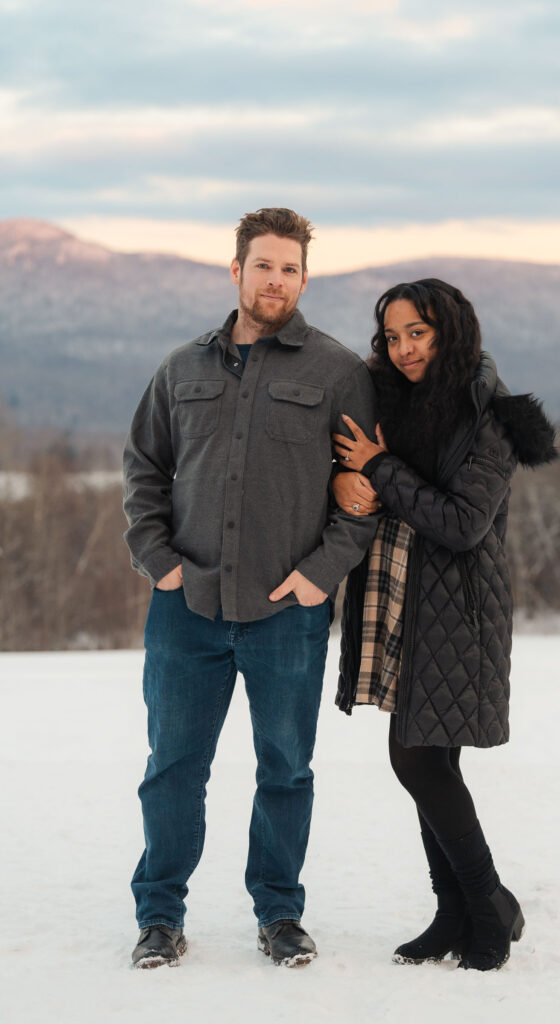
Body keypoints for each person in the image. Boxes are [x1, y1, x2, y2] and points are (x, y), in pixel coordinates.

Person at [122, 208, 378, 969]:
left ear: (304, 277)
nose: (276, 280)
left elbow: (361, 493)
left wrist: (317, 578)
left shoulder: (337, 373)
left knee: (286, 768)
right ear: (235, 271)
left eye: (290, 269)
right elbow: (142, 469)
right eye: (263, 266)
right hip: (186, 607)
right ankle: (159, 917)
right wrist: (158, 561)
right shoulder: (181, 369)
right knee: (172, 768)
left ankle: (279, 915)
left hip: (286, 614)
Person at [332, 278, 557, 971]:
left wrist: (378, 466)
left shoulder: (486, 414)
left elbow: (461, 524)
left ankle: (488, 903)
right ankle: (453, 910)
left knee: (417, 757)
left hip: (457, 604)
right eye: (392, 336)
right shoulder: (389, 400)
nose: (402, 350)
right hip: (400, 594)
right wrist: (351, 476)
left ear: (449, 331)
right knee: (431, 757)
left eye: (417, 334)